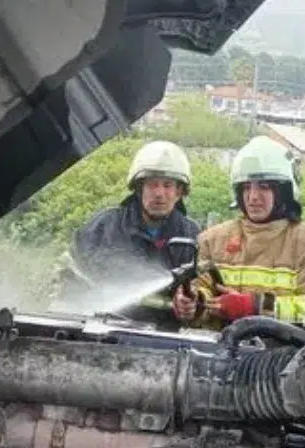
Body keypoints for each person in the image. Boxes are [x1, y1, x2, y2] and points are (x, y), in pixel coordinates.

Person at [171, 136, 305, 330]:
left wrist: (255, 306)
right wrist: (193, 304)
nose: (253, 197)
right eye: (246, 187)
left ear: (284, 192)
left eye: (264, 187)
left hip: (284, 357)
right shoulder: (212, 240)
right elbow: (201, 287)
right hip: (220, 356)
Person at [54, 140, 200, 327]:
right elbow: (68, 278)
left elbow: (201, 294)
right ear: (139, 189)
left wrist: (191, 305)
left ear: (179, 192)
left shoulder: (192, 237)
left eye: (167, 185)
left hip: (165, 340)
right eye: (152, 185)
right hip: (104, 332)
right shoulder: (103, 227)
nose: (159, 193)